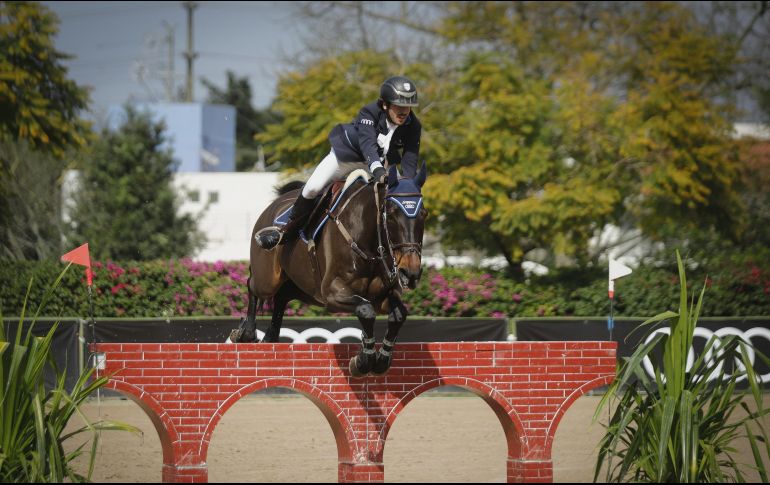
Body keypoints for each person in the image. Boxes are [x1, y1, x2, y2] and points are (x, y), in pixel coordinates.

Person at [256, 75, 422, 250]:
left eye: (408, 106)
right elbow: (368, 145)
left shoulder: (413, 125)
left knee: (390, 199)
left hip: (377, 163)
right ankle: (285, 229)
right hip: (345, 158)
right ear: (385, 104)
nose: (404, 112)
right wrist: (379, 171)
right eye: (399, 106)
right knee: (313, 187)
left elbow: (410, 157)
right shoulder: (369, 112)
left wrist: (408, 183)